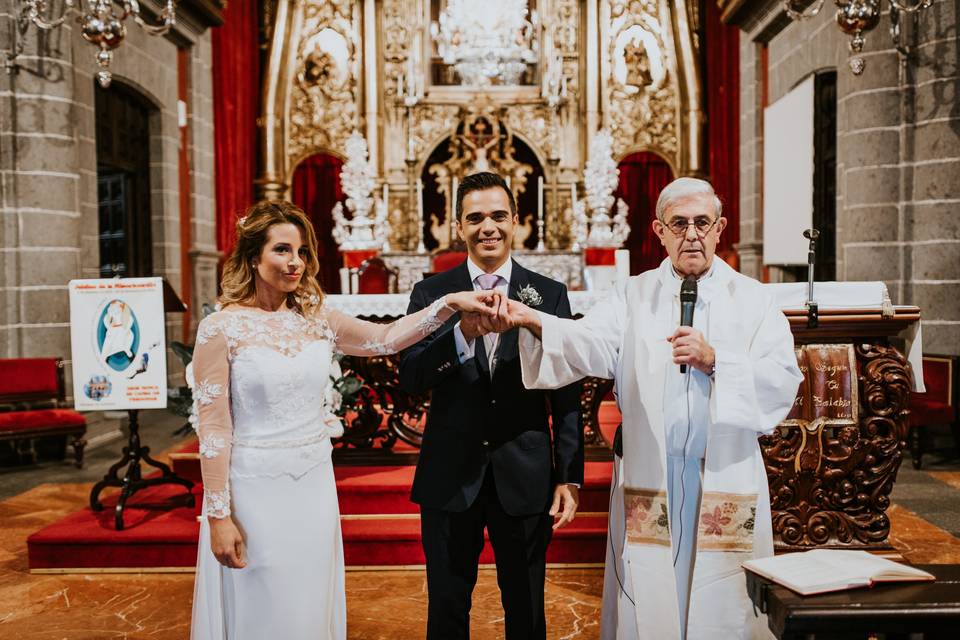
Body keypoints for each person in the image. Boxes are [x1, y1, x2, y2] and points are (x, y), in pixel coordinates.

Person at [501, 177, 803, 639]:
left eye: (702, 222)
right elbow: (589, 343)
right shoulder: (632, 296)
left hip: (724, 473)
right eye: (678, 223)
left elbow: (783, 381)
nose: (692, 234)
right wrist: (535, 321)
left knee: (726, 599)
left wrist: (715, 360)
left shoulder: (755, 300)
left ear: (720, 228)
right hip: (650, 474)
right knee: (649, 591)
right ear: (659, 231)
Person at [189, 201, 500, 640]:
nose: (295, 262)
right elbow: (215, 429)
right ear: (253, 257)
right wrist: (219, 516)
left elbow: (385, 339)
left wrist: (447, 304)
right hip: (252, 488)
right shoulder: (221, 328)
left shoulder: (317, 319)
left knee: (308, 600)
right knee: (261, 601)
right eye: (282, 250)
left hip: (312, 486)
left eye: (301, 251)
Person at [399, 171, 584, 640]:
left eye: (499, 215)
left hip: (523, 473)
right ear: (458, 227)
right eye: (475, 217)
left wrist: (569, 475)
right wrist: (461, 335)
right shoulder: (430, 294)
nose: (489, 227)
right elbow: (412, 376)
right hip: (449, 474)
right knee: (446, 606)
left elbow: (565, 392)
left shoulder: (549, 294)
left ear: (516, 220)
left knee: (526, 607)